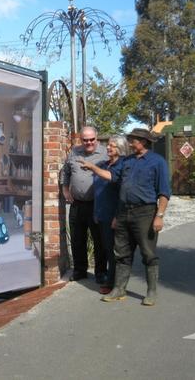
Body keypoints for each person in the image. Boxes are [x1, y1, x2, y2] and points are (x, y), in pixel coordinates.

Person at [79, 128, 171, 306]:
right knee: (121, 253)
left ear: (143, 142)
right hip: (123, 213)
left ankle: (151, 291)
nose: (130, 143)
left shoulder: (157, 162)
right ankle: (119, 289)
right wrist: (93, 168)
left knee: (148, 253)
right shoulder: (127, 161)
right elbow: (112, 177)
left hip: (145, 212)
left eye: (133, 140)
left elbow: (164, 192)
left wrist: (159, 215)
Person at [61, 126, 107, 283]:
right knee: (77, 239)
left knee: (99, 240)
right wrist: (65, 190)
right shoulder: (74, 152)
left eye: (92, 139)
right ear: (81, 139)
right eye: (85, 140)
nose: (89, 143)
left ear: (97, 138)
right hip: (77, 204)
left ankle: (101, 272)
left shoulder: (105, 153)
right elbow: (65, 172)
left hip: (97, 204)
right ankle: (80, 270)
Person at [92, 135, 129, 295]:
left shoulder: (124, 165)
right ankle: (109, 277)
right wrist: (96, 211)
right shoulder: (104, 164)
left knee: (114, 250)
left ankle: (113, 282)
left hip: (114, 215)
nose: (108, 148)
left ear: (120, 149)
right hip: (101, 214)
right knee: (105, 248)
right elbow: (98, 191)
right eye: (108, 145)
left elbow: (123, 193)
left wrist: (117, 216)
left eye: (112, 146)